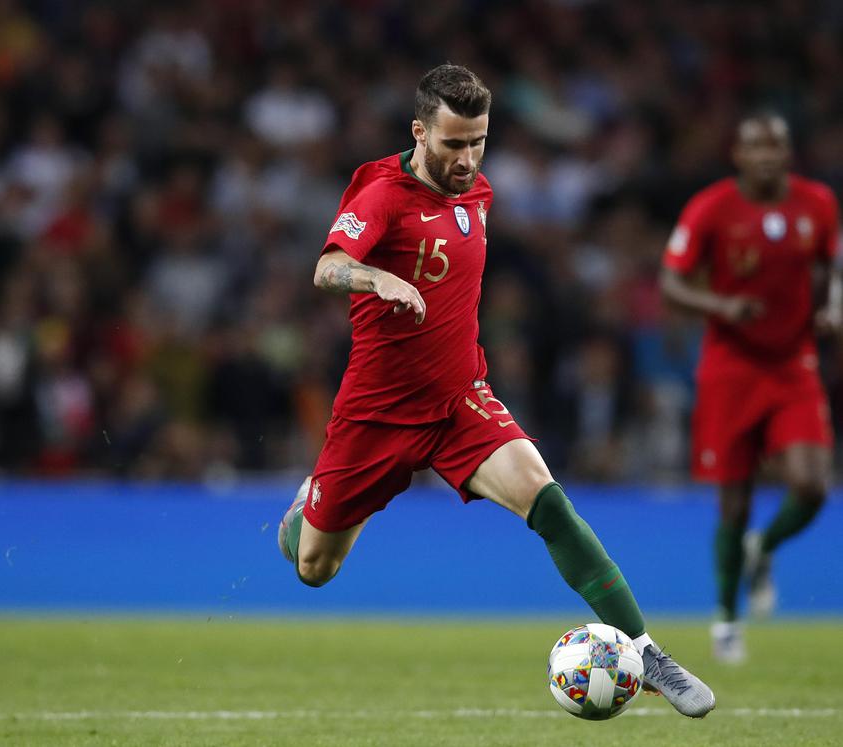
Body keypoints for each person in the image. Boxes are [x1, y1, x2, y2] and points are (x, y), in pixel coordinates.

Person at [278, 64, 715, 717]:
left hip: (461, 401)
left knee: (549, 502)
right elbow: (327, 267)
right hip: (377, 413)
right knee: (315, 567)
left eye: (477, 141)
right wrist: (377, 279)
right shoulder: (382, 195)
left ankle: (649, 653)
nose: (467, 158)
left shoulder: (478, 192)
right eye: (453, 143)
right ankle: (308, 507)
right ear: (419, 132)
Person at [660, 113, 841, 663]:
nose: (766, 155)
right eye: (755, 147)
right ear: (737, 155)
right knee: (734, 503)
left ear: (788, 152)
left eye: (775, 146)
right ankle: (726, 620)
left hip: (793, 364)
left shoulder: (817, 203)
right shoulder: (711, 208)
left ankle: (765, 547)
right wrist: (721, 305)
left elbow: (833, 265)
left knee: (812, 485)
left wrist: (833, 307)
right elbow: (671, 281)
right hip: (730, 367)